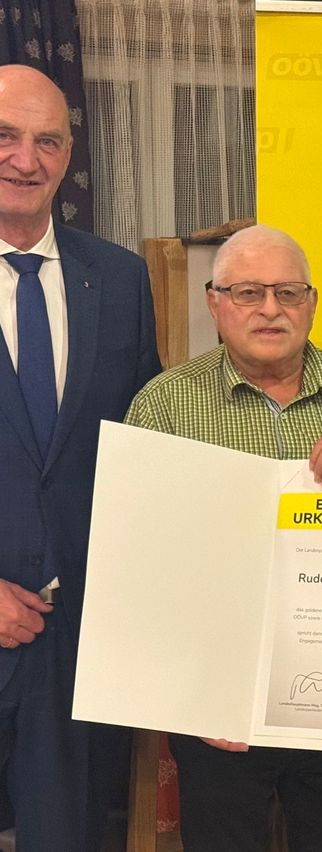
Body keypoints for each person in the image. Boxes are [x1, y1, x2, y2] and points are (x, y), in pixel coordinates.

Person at [124, 223, 322, 852]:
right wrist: (191, 697)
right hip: (222, 705)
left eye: (288, 293)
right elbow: (144, 566)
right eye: (248, 292)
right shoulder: (165, 406)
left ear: (312, 302)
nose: (269, 310)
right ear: (214, 302)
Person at [0, 65, 160, 850]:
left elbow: (149, 439)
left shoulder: (122, 279)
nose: (25, 159)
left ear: (68, 156)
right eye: (5, 135)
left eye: (48, 141)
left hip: (82, 643)